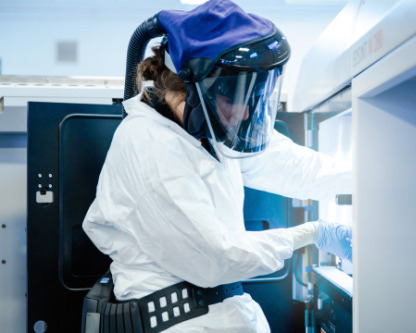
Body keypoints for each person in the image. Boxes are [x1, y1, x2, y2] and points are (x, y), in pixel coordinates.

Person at [82, 0, 352, 332]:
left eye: (250, 97)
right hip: (178, 321)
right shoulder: (148, 144)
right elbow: (215, 259)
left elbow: (292, 166)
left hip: (216, 312)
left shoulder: (206, 132)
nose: (245, 114)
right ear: (190, 89)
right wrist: (313, 234)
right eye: (232, 98)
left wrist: (366, 180)